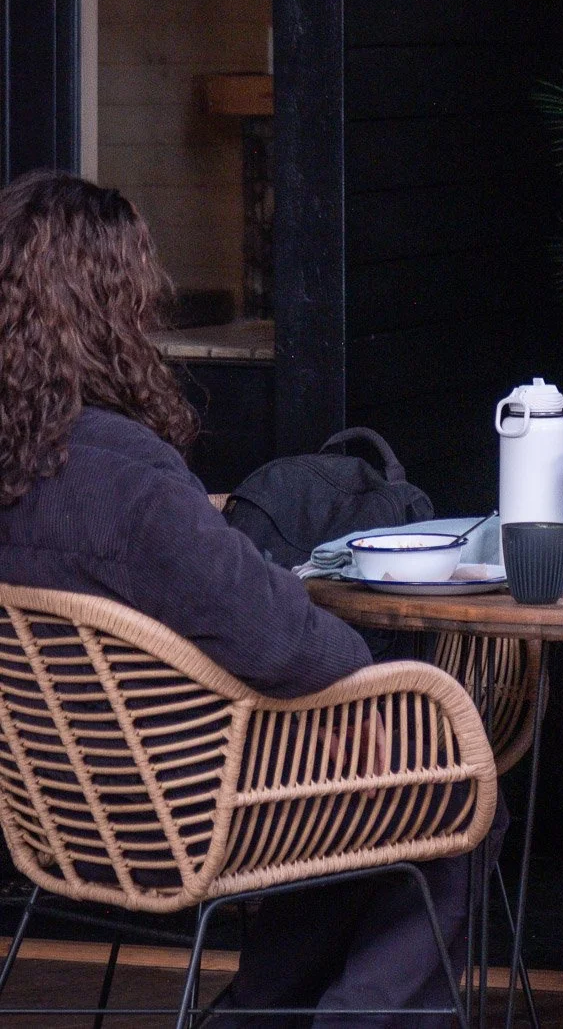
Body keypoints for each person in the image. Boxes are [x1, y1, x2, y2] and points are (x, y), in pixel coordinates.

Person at [0, 170, 502, 1028]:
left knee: (366, 786)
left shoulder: (29, 463)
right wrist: (351, 679)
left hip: (62, 811)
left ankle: (258, 1013)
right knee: (444, 774)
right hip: (193, 803)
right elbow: (268, 632)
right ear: (110, 307)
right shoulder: (126, 482)